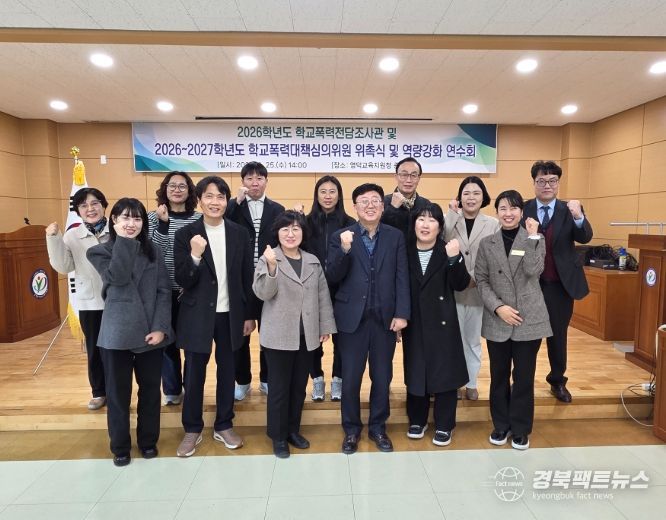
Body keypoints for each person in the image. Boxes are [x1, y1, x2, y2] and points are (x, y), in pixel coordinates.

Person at [173, 176, 255, 458]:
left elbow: (246, 276)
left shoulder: (239, 233)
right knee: (194, 374)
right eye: (208, 196)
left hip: (231, 314)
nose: (215, 202)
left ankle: (224, 424)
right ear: (199, 201)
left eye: (220, 197)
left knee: (227, 371)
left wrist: (249, 314)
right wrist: (195, 255)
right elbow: (182, 278)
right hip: (197, 314)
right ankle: (192, 428)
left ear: (226, 201)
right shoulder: (186, 234)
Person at [87, 198, 172, 466]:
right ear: (114, 220)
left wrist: (160, 327)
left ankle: (148, 441)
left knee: (150, 392)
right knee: (117, 394)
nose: (131, 223)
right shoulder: (99, 251)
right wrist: (124, 241)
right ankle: (120, 446)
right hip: (117, 333)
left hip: (150, 333)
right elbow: (118, 277)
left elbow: (163, 291)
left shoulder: (154, 250)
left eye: (137, 218)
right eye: (125, 217)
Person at [327, 183, 410, 454]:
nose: (370, 205)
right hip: (351, 320)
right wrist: (344, 250)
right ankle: (351, 430)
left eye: (375, 200)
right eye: (364, 201)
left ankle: (378, 427)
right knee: (351, 379)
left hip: (385, 320)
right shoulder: (341, 236)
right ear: (355, 207)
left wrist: (402, 313)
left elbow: (401, 276)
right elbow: (332, 276)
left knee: (382, 377)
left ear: (383, 206)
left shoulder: (395, 236)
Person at [253, 210, 336, 458]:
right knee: (279, 389)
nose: (291, 234)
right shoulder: (269, 257)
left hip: (306, 335)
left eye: (296, 229)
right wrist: (271, 268)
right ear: (277, 233)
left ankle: (292, 430)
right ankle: (278, 436)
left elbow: (322, 295)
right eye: (285, 229)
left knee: (299, 387)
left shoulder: (312, 260)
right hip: (278, 335)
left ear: (303, 232)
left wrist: (325, 325)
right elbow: (262, 293)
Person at [475, 190, 552, 451]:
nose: (508, 214)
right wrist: (498, 308)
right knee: (498, 376)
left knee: (523, 377)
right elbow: (481, 280)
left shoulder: (534, 238)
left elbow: (533, 270)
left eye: (513, 208)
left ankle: (520, 428)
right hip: (498, 318)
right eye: (503, 208)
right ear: (496, 212)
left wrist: (533, 237)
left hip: (528, 318)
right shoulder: (487, 243)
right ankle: (501, 425)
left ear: (522, 212)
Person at [523, 160, 593, 403]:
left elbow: (585, 237)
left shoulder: (569, 209)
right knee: (528, 337)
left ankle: (557, 381)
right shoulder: (523, 208)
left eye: (552, 181)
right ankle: (523, 382)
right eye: (541, 181)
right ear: (534, 183)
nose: (547, 185)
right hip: (530, 285)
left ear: (558, 183)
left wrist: (579, 216)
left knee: (557, 336)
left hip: (560, 286)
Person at [403, 203, 470, 447]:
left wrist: (455, 259)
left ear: (440, 227)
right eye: (421, 219)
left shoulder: (448, 249)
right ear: (414, 224)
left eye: (431, 220)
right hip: (414, 320)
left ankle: (444, 424)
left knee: (445, 373)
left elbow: (461, 284)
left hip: (442, 320)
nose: (425, 225)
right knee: (416, 369)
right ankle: (417, 419)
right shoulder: (405, 250)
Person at [45, 187, 110, 411]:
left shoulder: (118, 230)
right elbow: (64, 266)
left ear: (104, 205)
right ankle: (99, 392)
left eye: (95, 203)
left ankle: (118, 391)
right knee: (94, 350)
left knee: (118, 352)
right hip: (90, 302)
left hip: (117, 302)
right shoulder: (72, 235)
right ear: (78, 211)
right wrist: (53, 238)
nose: (90, 209)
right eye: (84, 205)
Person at [226, 161, 285, 399]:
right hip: (241, 280)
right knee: (241, 333)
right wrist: (235, 203)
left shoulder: (277, 209)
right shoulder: (233, 206)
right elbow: (222, 226)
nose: (254, 183)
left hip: (268, 278)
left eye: (259, 178)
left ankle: (267, 379)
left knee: (269, 333)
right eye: (249, 178)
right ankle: (242, 381)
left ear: (266, 182)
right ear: (242, 182)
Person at [299, 175, 355, 401]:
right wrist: (296, 218)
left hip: (342, 288)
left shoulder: (350, 223)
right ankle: (317, 379)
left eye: (332, 191)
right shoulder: (305, 222)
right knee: (313, 337)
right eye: (323, 191)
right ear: (316, 195)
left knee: (342, 339)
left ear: (339, 195)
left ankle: (338, 380)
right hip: (312, 289)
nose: (328, 196)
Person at [148, 171, 201, 406]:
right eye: (172, 185)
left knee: (190, 343)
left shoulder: (199, 219)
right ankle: (171, 389)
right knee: (166, 342)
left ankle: (191, 388)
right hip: (162, 291)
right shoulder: (152, 218)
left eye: (182, 186)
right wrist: (163, 224)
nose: (177, 190)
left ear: (189, 191)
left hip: (190, 291)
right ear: (165, 189)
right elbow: (151, 253)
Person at [444, 177, 500, 401]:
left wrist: (475, 279)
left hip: (478, 290)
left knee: (472, 340)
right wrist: (451, 215)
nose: (471, 198)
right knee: (452, 340)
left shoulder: (492, 223)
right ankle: (455, 381)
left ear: (483, 197)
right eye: (466, 193)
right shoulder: (450, 219)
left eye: (476, 193)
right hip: (452, 290)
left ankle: (471, 382)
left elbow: (495, 257)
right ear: (459, 197)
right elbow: (440, 241)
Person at [381, 156, 431, 239]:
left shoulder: (426, 204)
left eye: (414, 175)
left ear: (418, 179)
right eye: (404, 175)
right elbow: (377, 230)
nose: (408, 180)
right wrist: (392, 208)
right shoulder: (383, 202)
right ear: (396, 177)